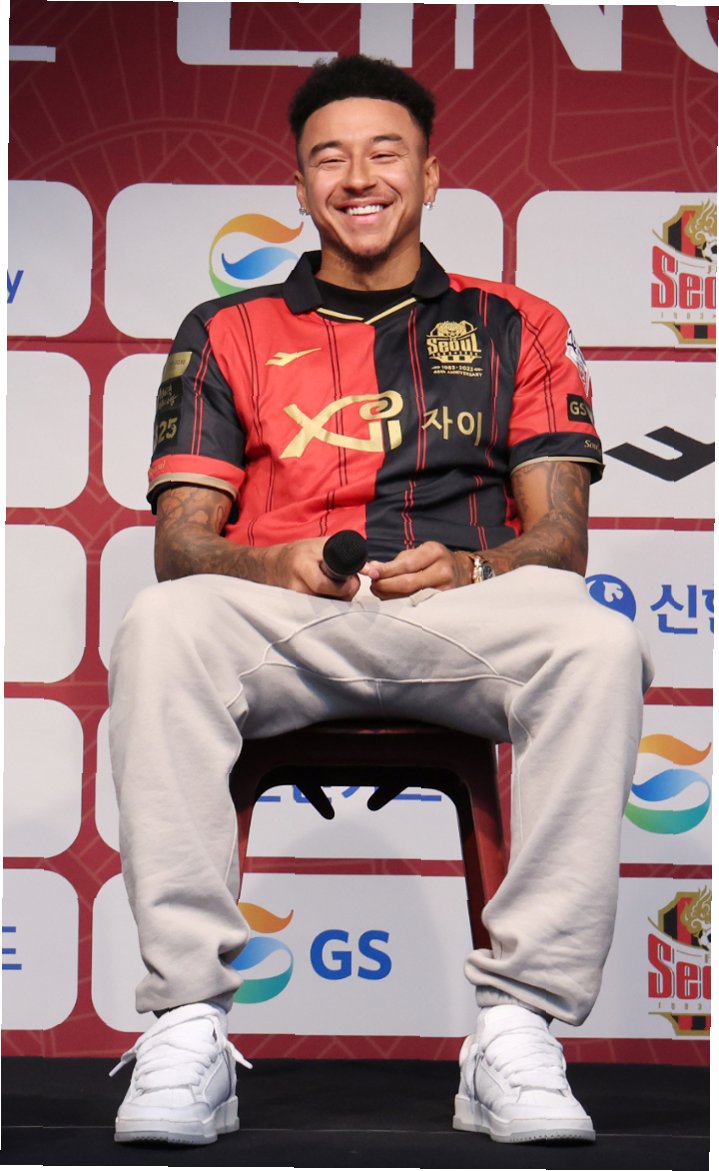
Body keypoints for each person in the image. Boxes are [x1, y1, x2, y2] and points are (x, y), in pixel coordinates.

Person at [108, 54, 653, 1148]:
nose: (358, 177)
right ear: (301, 186)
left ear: (430, 175)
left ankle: (517, 1025)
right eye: (329, 158)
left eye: (384, 153)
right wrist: (276, 563)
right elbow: (181, 546)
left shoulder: (518, 324)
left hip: (455, 616)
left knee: (595, 641)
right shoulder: (224, 328)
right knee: (160, 624)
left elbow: (558, 538)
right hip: (291, 618)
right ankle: (186, 1023)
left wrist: (473, 567)